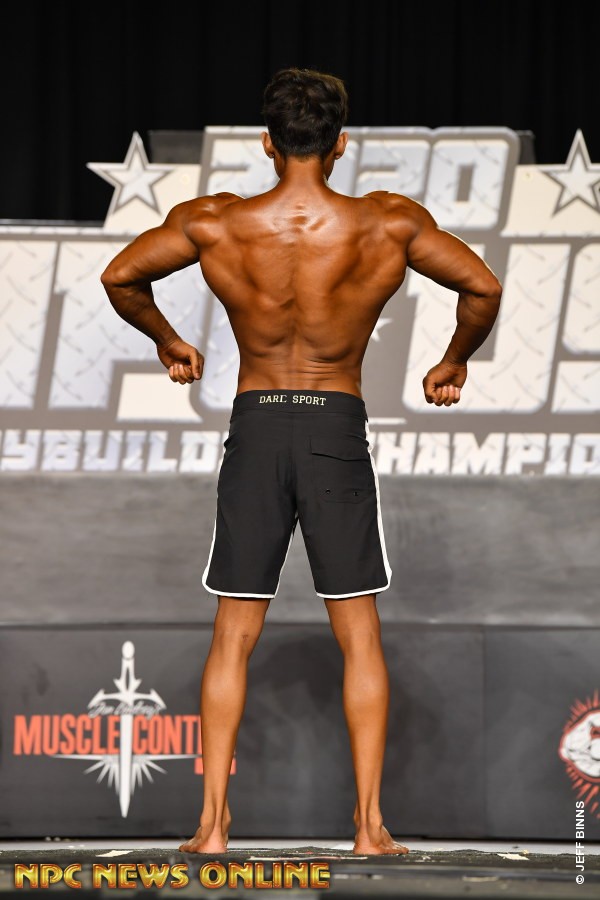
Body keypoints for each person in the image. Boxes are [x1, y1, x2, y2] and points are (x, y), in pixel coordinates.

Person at [101, 67, 502, 856]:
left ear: (266, 142)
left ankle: (212, 828)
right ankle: (369, 829)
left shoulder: (216, 222)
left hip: (257, 428)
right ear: (340, 144)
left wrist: (169, 342)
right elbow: (482, 288)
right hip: (333, 426)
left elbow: (121, 276)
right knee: (359, 634)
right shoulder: (387, 224)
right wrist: (453, 360)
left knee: (232, 634)